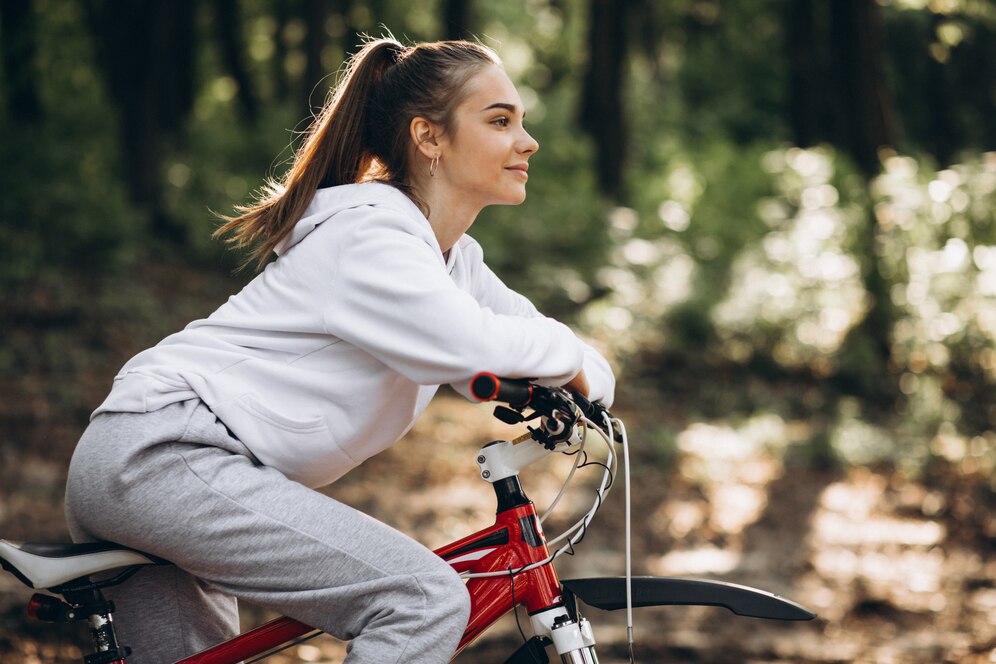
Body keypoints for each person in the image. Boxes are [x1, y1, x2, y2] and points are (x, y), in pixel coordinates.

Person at [65, 36, 615, 664]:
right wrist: (566, 362)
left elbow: (540, 343)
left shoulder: (451, 262)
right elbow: (470, 345)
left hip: (172, 467)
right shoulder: (370, 236)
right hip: (162, 456)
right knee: (422, 601)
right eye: (499, 121)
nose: (527, 140)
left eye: (521, 121)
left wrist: (579, 368)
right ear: (429, 139)